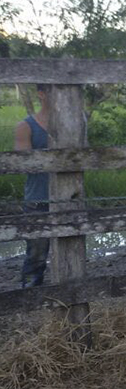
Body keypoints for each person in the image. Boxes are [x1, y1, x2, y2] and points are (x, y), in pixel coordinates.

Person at [13, 84, 51, 288]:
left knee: (72, 250)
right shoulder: (25, 126)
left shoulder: (75, 122)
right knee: (36, 256)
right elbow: (22, 164)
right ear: (41, 94)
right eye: (54, 91)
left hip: (70, 198)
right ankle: (29, 296)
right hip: (38, 200)